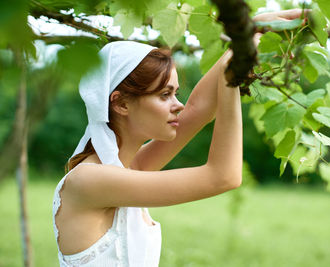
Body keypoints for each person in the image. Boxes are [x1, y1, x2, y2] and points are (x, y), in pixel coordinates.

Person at [52, 9, 306, 267]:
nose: (179, 105)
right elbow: (224, 176)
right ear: (121, 104)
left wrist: (249, 31)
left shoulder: (129, 168)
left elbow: (199, 109)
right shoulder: (91, 180)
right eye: (164, 94)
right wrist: (232, 72)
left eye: (175, 93)